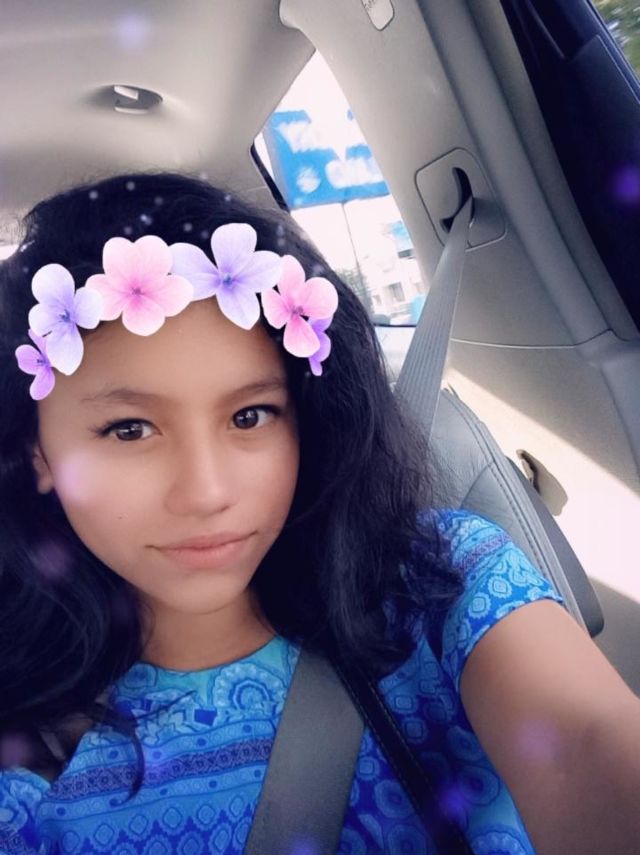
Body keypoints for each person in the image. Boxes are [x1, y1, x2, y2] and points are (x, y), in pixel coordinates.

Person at [0, 172, 638, 855]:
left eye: (252, 415)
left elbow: (585, 743)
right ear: (37, 451)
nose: (207, 492)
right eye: (129, 429)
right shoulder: (23, 752)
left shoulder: (442, 584)